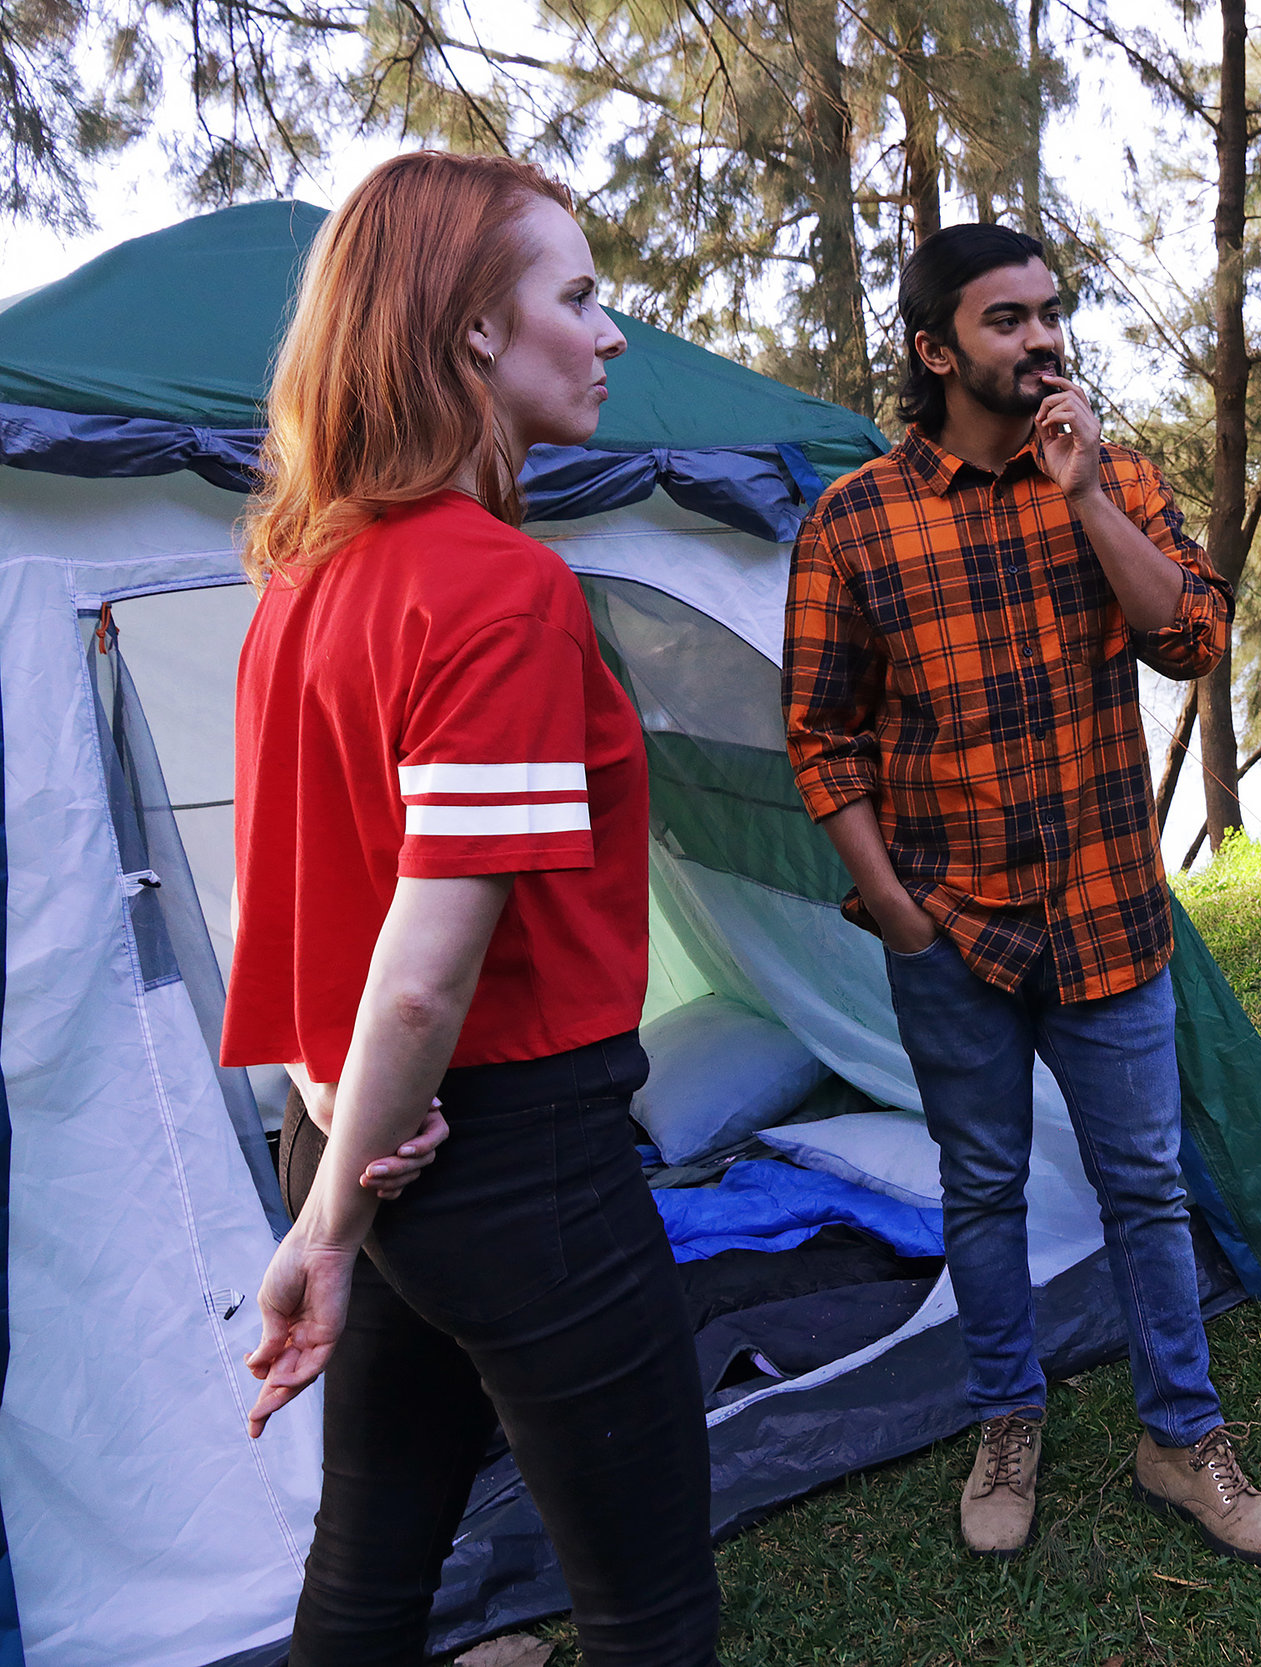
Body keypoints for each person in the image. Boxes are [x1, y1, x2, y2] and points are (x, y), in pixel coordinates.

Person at [225, 151, 720, 1664]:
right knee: (649, 1616)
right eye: (576, 295)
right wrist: (325, 1222)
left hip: (372, 1140)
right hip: (509, 1164)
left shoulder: (299, 585)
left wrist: (337, 1155)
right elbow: (426, 972)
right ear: (470, 337)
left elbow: (317, 901)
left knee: (369, 1573)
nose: (612, 331)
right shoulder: (496, 590)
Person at [783, 223, 1261, 1567]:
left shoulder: (1115, 475)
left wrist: (1086, 500)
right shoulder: (854, 520)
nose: (1043, 339)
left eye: (1052, 313)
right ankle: (1006, 1417)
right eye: (1007, 320)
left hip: (1106, 909)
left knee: (1146, 1182)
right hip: (947, 928)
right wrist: (890, 904)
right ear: (934, 348)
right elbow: (820, 732)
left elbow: (1191, 639)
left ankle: (1181, 1438)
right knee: (985, 1186)